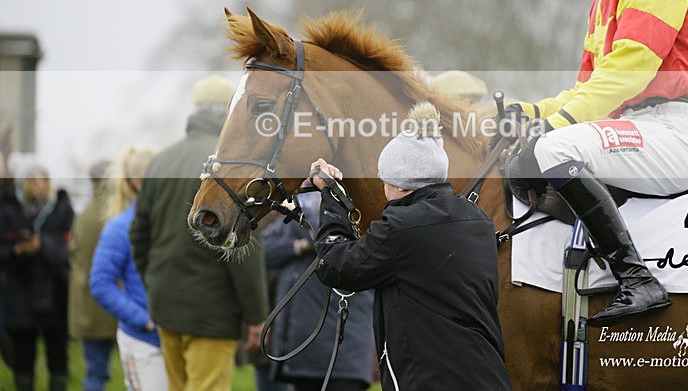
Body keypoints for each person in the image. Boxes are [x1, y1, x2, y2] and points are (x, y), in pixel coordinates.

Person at [508, 0, 688, 327]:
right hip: (635, 131)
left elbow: (628, 72)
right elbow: (590, 90)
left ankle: (638, 279)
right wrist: (533, 112)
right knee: (521, 163)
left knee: (551, 149)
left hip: (673, 131)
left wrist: (555, 126)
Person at [312, 102, 512, 390]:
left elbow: (336, 267)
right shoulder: (477, 219)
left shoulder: (402, 226)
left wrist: (332, 200)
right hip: (488, 377)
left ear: (398, 184)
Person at [130, 74, 268, 391]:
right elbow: (242, 251)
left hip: (165, 305)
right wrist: (256, 315)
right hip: (212, 312)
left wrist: (154, 283)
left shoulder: (159, 162)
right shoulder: (230, 168)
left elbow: (139, 236)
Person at [262, 190, 375, 391]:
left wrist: (301, 214)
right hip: (303, 354)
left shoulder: (355, 213)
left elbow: (325, 234)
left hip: (344, 355)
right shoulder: (298, 218)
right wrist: (298, 246)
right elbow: (263, 251)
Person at [90, 146, 166, 391]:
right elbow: (100, 283)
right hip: (143, 342)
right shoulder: (119, 228)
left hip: (178, 339)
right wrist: (143, 320)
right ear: (137, 182)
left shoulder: (172, 222)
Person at [0, 162, 74, 391]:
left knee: (58, 358)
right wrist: (16, 250)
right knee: (22, 360)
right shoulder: (9, 211)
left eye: (43, 179)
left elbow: (69, 248)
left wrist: (42, 245)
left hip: (54, 296)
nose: (39, 184)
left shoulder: (61, 209)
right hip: (20, 295)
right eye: (33, 179)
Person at [68, 158, 117, 391]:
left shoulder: (84, 215)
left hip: (88, 306)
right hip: (114, 305)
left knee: (94, 372)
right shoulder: (114, 214)